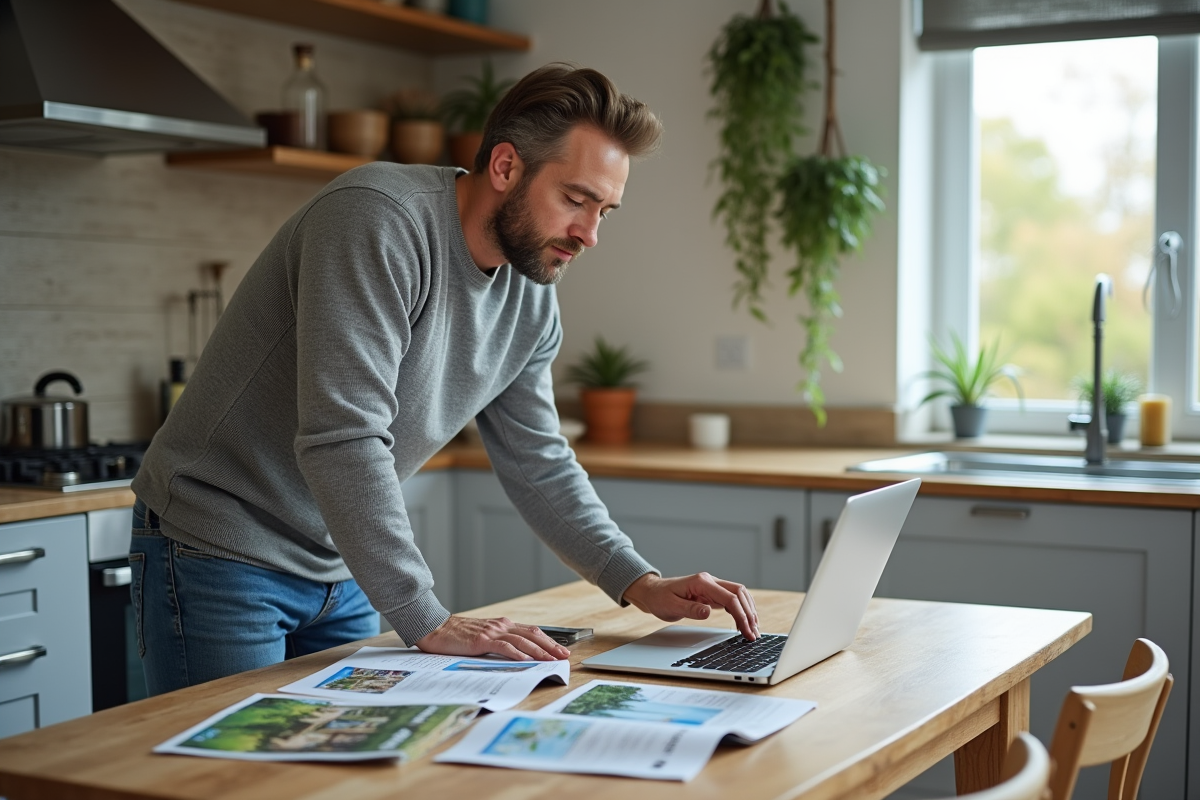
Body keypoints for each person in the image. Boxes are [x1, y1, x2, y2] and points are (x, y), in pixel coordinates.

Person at [129, 63, 759, 696]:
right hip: (219, 547)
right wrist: (426, 617)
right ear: (506, 167)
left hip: (339, 563)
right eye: (574, 199)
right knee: (225, 783)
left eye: (605, 210)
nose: (589, 235)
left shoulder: (530, 293)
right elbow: (343, 436)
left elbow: (538, 460)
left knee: (333, 780)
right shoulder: (377, 220)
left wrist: (638, 581)